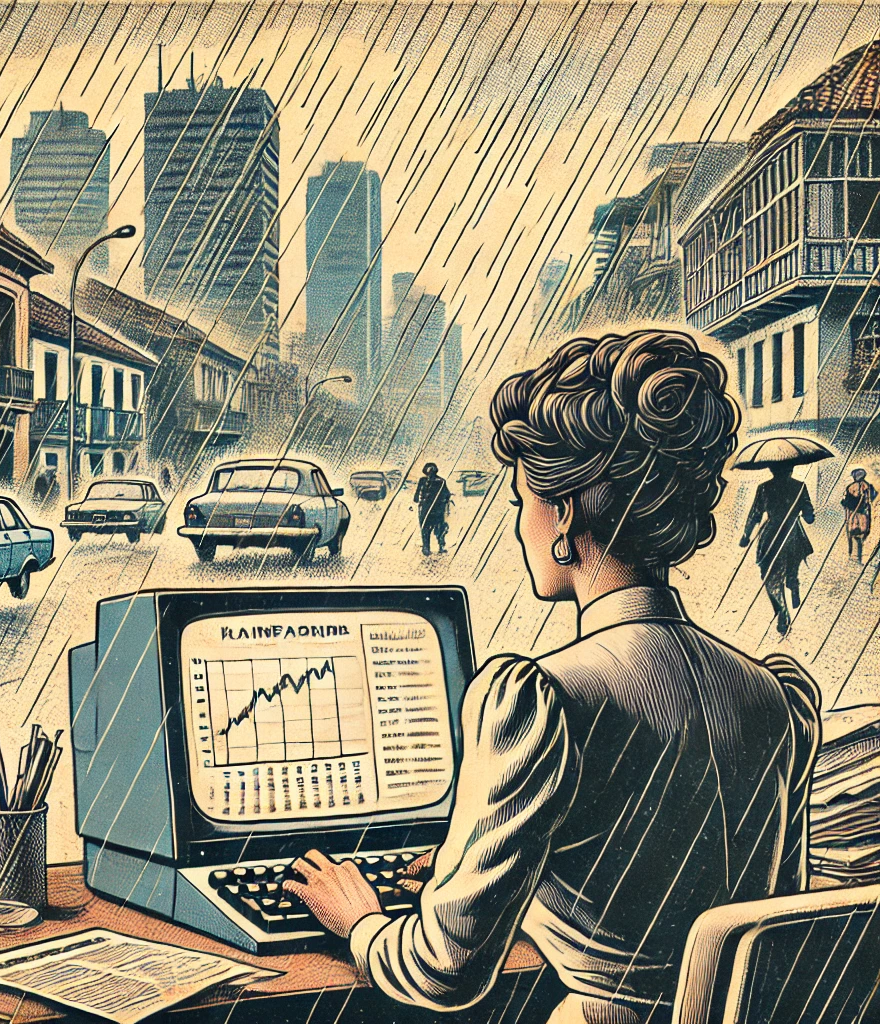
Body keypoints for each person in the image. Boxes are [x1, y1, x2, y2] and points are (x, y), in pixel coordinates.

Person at [283, 329, 821, 1023]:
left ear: (563, 513)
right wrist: (511, 886)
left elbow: (442, 973)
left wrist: (358, 920)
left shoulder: (542, 698)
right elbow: (740, 919)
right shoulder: (774, 694)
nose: (520, 527)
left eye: (521, 504)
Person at [739, 462, 815, 634]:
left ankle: (781, 611)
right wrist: (805, 512)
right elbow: (810, 518)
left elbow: (755, 515)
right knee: (791, 562)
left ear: (772, 469)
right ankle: (792, 581)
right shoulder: (799, 486)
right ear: (791, 469)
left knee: (770, 575)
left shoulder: (764, 488)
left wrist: (746, 536)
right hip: (793, 535)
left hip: (771, 536)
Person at [413, 462, 451, 555]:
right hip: (429, 508)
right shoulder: (425, 480)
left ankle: (438, 546)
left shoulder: (440, 481)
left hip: (433, 509)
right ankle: (428, 547)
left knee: (435, 528)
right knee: (428, 528)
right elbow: (416, 495)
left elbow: (446, 494)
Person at [842, 468, 876, 563]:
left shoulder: (851, 487)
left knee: (852, 535)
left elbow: (846, 503)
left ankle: (852, 555)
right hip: (862, 515)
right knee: (860, 535)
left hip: (854, 515)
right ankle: (857, 557)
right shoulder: (868, 486)